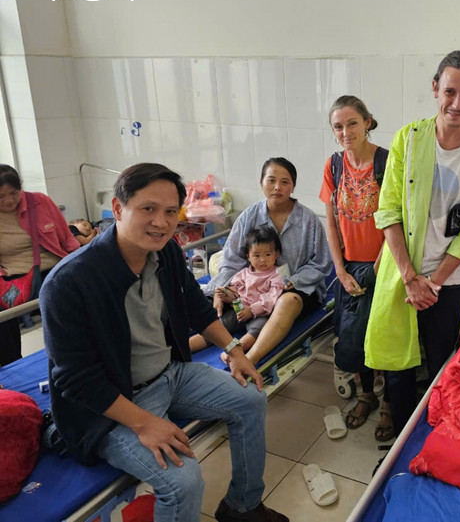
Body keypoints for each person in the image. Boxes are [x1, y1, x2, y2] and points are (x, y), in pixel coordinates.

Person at [40, 163, 288, 522]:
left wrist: (234, 351)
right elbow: (77, 380)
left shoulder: (166, 253)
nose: (161, 221)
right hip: (110, 407)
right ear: (118, 208)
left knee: (251, 399)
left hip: (169, 374)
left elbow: (195, 307)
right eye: (148, 209)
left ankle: (243, 506)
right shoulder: (70, 283)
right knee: (183, 482)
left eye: (171, 211)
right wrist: (144, 423)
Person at [364, 51, 460, 435]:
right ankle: (400, 445)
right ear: (435, 88)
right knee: (397, 366)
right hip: (403, 272)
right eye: (450, 92)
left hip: (450, 279)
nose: (458, 104)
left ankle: (436, 440)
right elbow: (388, 210)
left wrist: (435, 283)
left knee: (444, 364)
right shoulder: (408, 140)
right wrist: (411, 277)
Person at [205, 157, 332, 365]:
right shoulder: (248, 217)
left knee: (287, 301)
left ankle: (250, 359)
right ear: (262, 182)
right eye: (271, 180)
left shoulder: (308, 220)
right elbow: (232, 260)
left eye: (285, 182)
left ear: (293, 186)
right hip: (252, 289)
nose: (277, 187)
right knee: (208, 305)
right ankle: (177, 348)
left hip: (294, 289)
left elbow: (321, 262)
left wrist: (296, 281)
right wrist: (221, 290)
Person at [319, 95, 393, 441]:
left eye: (352, 123)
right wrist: (341, 271)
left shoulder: (387, 162)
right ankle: (366, 395)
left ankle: (390, 405)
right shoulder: (334, 166)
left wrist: (378, 268)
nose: (346, 131)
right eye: (338, 126)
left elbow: (398, 220)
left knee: (385, 335)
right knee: (354, 337)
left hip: (385, 264)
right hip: (348, 267)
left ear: (367, 122)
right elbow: (331, 222)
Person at [0, 164, 80, 365]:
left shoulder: (40, 202)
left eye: (14, 193)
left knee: (79, 293)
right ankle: (11, 367)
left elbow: (67, 239)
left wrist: (83, 265)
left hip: (54, 269)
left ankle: (77, 356)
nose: (9, 201)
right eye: (0, 197)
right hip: (12, 280)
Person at [189, 225, 285, 355]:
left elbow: (271, 298)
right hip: (238, 311)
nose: (262, 260)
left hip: (259, 314)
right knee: (216, 327)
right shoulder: (244, 273)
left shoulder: (276, 274)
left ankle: (236, 349)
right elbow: (235, 289)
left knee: (260, 329)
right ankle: (185, 347)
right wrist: (227, 295)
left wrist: (251, 311)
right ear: (248, 256)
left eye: (268, 254)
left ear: (276, 254)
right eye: (256, 255)